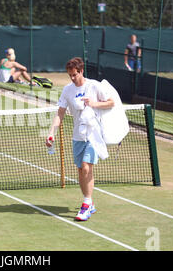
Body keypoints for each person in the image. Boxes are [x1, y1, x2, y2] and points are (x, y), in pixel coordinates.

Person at [46, 57, 114, 222]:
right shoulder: (67, 90)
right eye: (70, 75)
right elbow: (60, 113)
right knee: (81, 171)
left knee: (85, 167)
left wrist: (94, 103)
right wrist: (51, 133)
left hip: (93, 134)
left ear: (81, 71)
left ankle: (86, 203)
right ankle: (88, 201)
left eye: (75, 74)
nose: (72, 78)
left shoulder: (94, 86)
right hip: (77, 137)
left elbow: (111, 103)